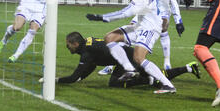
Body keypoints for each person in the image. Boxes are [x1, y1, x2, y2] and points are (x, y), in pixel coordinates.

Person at [86, 0, 177, 94]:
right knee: (110, 37)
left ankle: (168, 85)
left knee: (139, 57)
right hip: (139, 24)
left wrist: (104, 17)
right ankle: (129, 69)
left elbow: (128, 11)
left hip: (150, 27)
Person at [48, 32, 200, 87]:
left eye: (69, 45)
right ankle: (186, 68)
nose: (68, 48)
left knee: (116, 82)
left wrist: (55, 80)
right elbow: (90, 67)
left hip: (128, 57)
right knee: (115, 83)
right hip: (124, 56)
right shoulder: (87, 46)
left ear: (75, 43)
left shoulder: (86, 52)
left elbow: (75, 75)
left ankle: (150, 80)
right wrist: (81, 77)